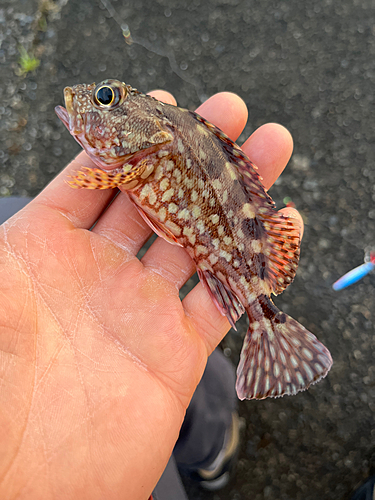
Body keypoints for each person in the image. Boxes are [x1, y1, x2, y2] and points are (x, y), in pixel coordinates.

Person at [0, 90, 302, 499]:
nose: (86, 101)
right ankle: (212, 446)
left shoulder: (157, 146)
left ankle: (211, 444)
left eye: (107, 99)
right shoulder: (144, 153)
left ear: (150, 128)